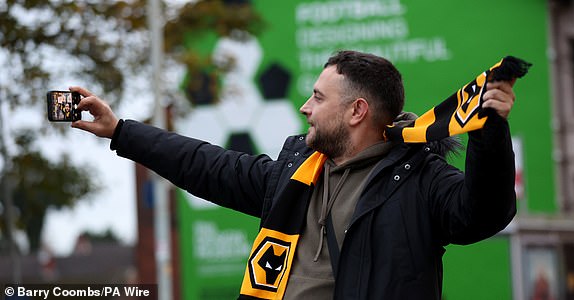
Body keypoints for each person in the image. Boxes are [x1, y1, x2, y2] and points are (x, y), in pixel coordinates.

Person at [70, 50, 517, 299]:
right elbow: (204, 164)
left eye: (319, 98)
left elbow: (483, 213)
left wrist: (489, 133)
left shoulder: (419, 180)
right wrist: (120, 130)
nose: (305, 107)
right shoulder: (294, 169)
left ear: (357, 111)